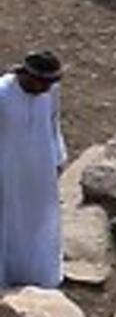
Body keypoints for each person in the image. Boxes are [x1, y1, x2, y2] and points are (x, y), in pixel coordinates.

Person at [0, 51, 67, 289]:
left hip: (40, 166)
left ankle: (38, 276)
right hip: (7, 169)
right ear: (28, 76)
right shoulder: (3, 94)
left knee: (38, 220)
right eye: (45, 82)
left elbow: (53, 122)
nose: (48, 88)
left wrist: (58, 157)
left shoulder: (49, 93)